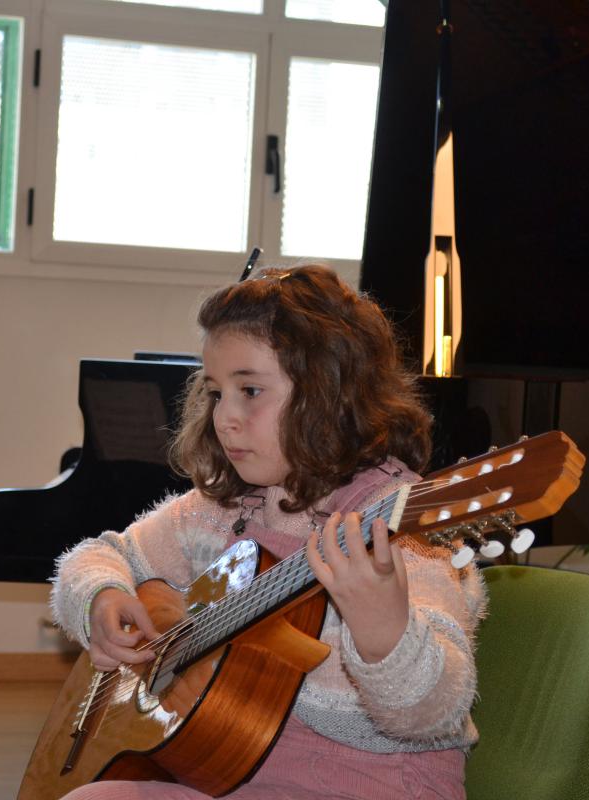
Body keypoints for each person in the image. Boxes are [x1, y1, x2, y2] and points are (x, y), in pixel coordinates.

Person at [50, 264, 486, 800]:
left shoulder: (401, 531)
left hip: (372, 786)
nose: (224, 418)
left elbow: (436, 714)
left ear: (330, 394)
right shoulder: (224, 508)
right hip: (224, 771)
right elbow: (103, 555)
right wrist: (101, 597)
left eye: (251, 390)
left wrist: (385, 634)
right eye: (216, 393)